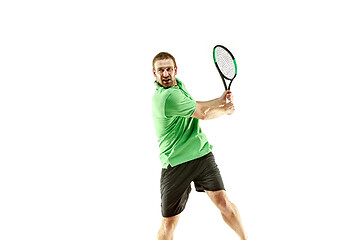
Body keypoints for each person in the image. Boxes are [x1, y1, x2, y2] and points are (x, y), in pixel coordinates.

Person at [152, 52, 247, 240]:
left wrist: (218, 101)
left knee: (223, 202)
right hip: (176, 162)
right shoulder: (166, 97)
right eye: (160, 70)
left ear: (175, 70)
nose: (165, 73)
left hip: (201, 153)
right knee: (169, 223)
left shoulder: (179, 86)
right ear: (154, 73)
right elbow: (203, 114)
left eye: (168, 69)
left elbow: (193, 105)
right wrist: (225, 110)